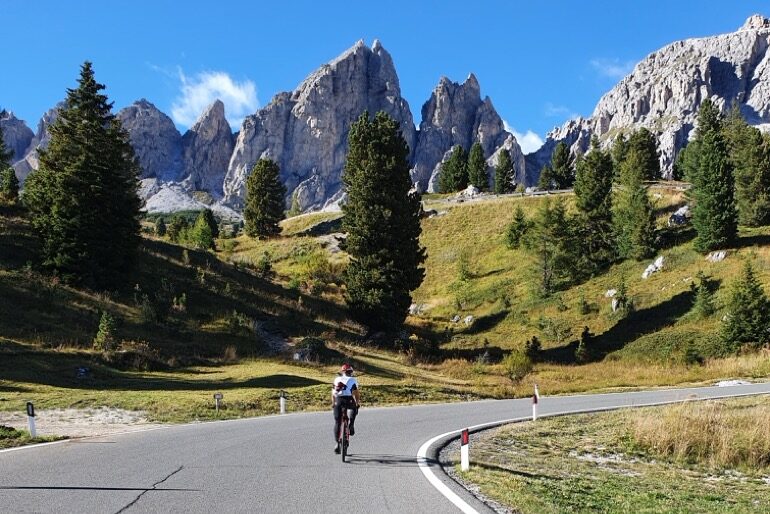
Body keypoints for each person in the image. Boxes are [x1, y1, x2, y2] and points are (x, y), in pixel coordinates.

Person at [332, 363, 360, 453]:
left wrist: (333, 403)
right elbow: (356, 393)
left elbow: (333, 393)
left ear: (342, 372)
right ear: (351, 372)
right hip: (348, 399)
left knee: (337, 422)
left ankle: (337, 443)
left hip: (338, 400)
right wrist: (357, 403)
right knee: (354, 407)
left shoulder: (337, 379)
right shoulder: (353, 379)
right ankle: (351, 425)